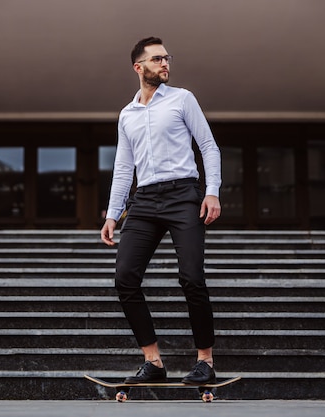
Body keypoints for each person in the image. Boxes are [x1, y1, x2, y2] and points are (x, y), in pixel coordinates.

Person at [100, 36, 222, 385]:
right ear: (139, 68)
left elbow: (209, 147)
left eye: (167, 57)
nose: (165, 63)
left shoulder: (183, 100)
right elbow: (124, 168)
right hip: (145, 201)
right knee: (124, 278)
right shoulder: (128, 114)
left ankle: (206, 361)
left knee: (192, 278)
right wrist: (112, 214)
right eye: (157, 59)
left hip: (184, 194)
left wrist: (211, 192)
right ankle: (153, 361)